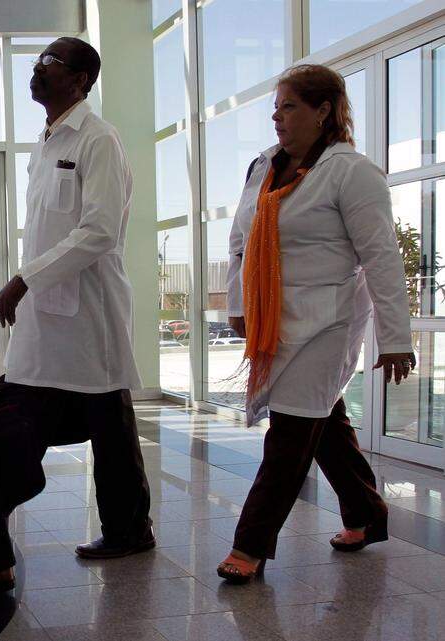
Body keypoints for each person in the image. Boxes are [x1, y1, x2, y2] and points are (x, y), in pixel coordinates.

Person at [216, 64, 414, 584]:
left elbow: (382, 258)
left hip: (330, 321)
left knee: (291, 431)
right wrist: (239, 306)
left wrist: (395, 338)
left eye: (289, 107)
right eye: (275, 108)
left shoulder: (353, 171)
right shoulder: (264, 167)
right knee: (322, 424)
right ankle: (368, 516)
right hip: (275, 321)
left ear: (324, 111)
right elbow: (239, 242)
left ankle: (249, 544)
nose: (277, 118)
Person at [0, 37, 154, 564]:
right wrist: (32, 283)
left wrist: (25, 279)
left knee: (106, 429)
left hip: (88, 315)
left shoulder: (97, 140)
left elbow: (100, 230)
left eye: (50, 63)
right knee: (30, 421)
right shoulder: (47, 143)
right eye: (37, 61)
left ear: (81, 80)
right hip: (47, 318)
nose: (36, 70)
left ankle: (128, 530)